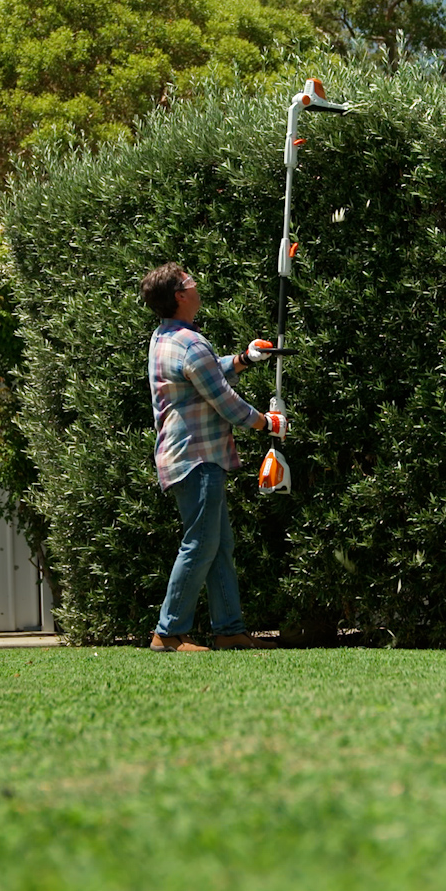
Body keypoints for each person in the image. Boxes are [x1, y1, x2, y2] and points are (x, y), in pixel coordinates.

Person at [140, 262, 287, 652]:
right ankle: (168, 633)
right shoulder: (190, 342)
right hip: (197, 458)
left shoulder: (166, 338)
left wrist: (243, 358)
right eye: (190, 280)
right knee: (201, 544)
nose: (196, 284)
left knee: (218, 545)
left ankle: (228, 630)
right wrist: (266, 423)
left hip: (187, 456)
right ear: (180, 296)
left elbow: (204, 373)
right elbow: (223, 400)